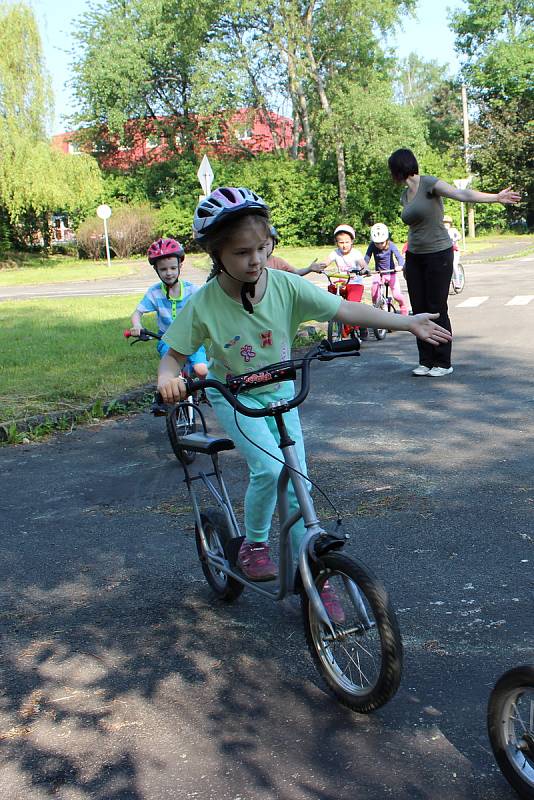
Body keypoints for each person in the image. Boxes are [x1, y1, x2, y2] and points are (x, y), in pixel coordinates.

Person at [156, 186, 451, 609]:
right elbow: (174, 356)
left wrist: (406, 323)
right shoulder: (203, 304)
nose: (255, 259)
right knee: (267, 468)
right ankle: (254, 546)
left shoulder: (284, 286)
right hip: (234, 396)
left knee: (298, 484)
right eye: (241, 252)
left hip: (279, 392)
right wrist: (169, 379)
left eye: (262, 247)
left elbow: (344, 310)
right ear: (216, 255)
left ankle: (315, 579)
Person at [388, 148, 520, 377]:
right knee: (418, 310)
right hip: (415, 256)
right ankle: (426, 360)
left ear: (398, 168)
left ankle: (442, 362)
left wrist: (495, 198)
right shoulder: (404, 196)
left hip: (439, 254)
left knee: (436, 308)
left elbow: (462, 194)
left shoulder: (429, 184)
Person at [130, 237, 207, 377]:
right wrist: (137, 325)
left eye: (173, 268)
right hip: (167, 341)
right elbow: (137, 312)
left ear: (180, 266)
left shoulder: (192, 290)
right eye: (163, 269)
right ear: (156, 269)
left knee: (202, 370)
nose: (169, 273)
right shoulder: (154, 292)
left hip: (191, 339)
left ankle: (209, 397)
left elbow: (208, 308)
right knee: (172, 374)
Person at [319, 224, 371, 337]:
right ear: (336, 243)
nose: (344, 245)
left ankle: (360, 325)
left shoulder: (356, 253)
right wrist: (319, 267)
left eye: (347, 242)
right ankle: (333, 315)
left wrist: (365, 269)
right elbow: (326, 262)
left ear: (352, 241)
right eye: (341, 242)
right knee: (330, 291)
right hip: (341, 283)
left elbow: (363, 264)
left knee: (352, 305)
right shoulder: (335, 253)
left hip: (355, 284)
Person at [365, 223, 409, 316]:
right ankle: (377, 307)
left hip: (391, 273)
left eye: (382, 242)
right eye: (377, 243)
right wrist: (364, 268)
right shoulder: (372, 245)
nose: (379, 245)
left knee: (397, 295)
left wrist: (401, 265)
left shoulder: (391, 245)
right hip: (379, 273)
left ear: (387, 239)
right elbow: (367, 258)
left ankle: (403, 305)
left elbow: (399, 257)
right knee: (374, 291)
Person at [443, 214, 462, 289]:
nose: (445, 225)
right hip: (445, 252)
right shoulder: (441, 232)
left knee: (454, 265)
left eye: (447, 223)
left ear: (450, 224)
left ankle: (458, 283)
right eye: (444, 223)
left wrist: (455, 239)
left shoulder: (453, 230)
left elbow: (459, 236)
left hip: (455, 251)